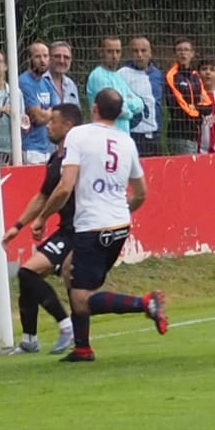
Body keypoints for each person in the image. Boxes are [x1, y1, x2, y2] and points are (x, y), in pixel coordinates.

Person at [35, 90, 168, 361]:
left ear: (94, 107)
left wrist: (42, 218)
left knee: (82, 297)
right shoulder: (126, 141)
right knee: (70, 270)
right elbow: (141, 192)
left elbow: (64, 187)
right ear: (119, 114)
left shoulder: (79, 135)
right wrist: (118, 209)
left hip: (93, 228)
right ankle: (82, 348)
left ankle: (145, 303)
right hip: (119, 226)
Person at [1, 104, 84, 354]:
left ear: (68, 126)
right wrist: (18, 225)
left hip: (79, 230)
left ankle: (66, 326)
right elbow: (42, 195)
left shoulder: (77, 157)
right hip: (65, 229)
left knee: (28, 273)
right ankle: (29, 340)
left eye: (53, 121)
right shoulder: (55, 158)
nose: (48, 125)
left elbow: (62, 191)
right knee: (27, 277)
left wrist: (42, 219)